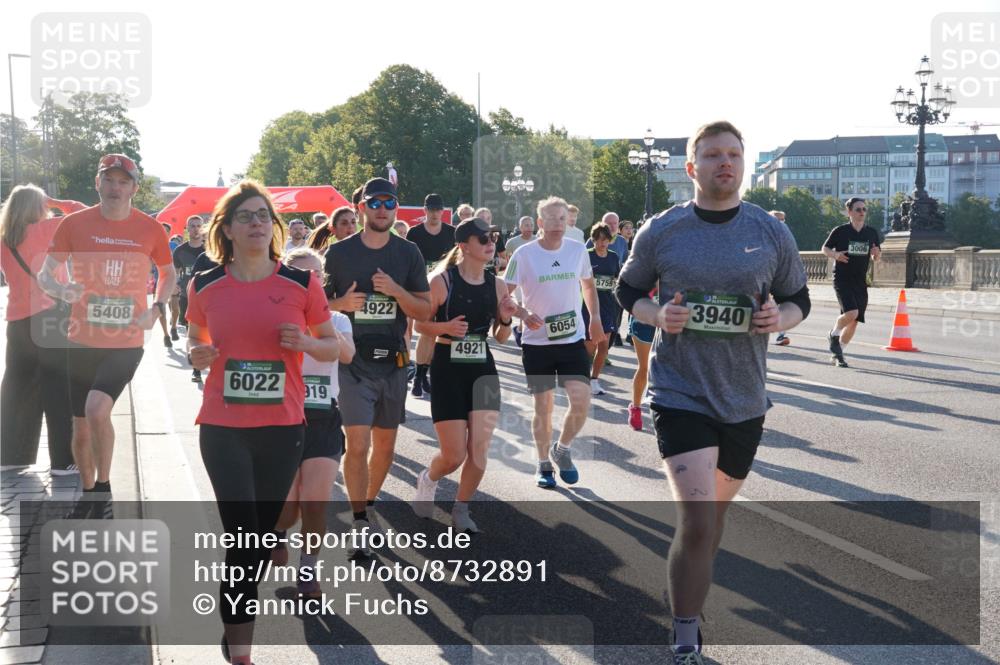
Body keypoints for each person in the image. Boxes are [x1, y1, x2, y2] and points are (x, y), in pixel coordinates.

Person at [616, 121, 810, 664]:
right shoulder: (665, 228)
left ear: (743, 164)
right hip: (680, 393)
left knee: (713, 522)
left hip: (744, 398)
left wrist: (779, 317)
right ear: (691, 167)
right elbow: (627, 288)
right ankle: (684, 634)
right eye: (712, 155)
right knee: (698, 519)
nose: (724, 163)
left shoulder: (771, 232)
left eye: (733, 154)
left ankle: (685, 590)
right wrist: (659, 315)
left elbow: (799, 300)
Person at [186, 181, 338, 665]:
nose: (255, 223)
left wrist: (308, 345)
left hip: (282, 429)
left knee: (261, 532)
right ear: (226, 229)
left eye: (262, 216)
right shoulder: (205, 285)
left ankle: (234, 633)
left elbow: (333, 345)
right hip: (223, 428)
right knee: (242, 539)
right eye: (245, 216)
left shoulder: (300, 283)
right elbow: (195, 339)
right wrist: (197, 355)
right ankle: (241, 651)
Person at [38, 153, 176, 507]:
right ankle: (89, 493)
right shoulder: (73, 224)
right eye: (109, 180)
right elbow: (45, 274)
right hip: (80, 339)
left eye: (123, 181)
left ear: (134, 188)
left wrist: (157, 305)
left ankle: (105, 486)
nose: (115, 188)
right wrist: (62, 290)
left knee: (98, 409)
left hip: (126, 340)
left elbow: (168, 273)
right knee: (81, 425)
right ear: (98, 183)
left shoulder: (149, 228)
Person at [324, 177, 431, 556]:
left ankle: (367, 507)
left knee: (384, 447)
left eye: (389, 202)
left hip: (394, 365)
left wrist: (397, 292)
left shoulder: (408, 254)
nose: (382, 208)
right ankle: (358, 521)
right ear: (362, 208)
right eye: (375, 202)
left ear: (396, 209)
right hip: (353, 364)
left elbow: (424, 309)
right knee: (358, 442)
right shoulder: (338, 254)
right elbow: (315, 308)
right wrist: (341, 305)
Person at [411, 218, 518, 532]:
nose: (490, 243)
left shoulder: (497, 284)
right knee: (454, 454)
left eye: (492, 237)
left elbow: (500, 337)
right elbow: (419, 325)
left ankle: (461, 508)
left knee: (480, 447)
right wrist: (444, 328)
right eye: (482, 238)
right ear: (463, 246)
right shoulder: (441, 282)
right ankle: (428, 479)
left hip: (482, 370)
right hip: (447, 369)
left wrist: (508, 320)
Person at [271, 247, 355, 597]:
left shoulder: (337, 322)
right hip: (283, 420)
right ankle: (276, 533)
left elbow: (349, 356)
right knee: (288, 508)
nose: (311, 280)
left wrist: (321, 319)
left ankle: (309, 568)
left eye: (317, 275)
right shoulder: (275, 318)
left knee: (316, 499)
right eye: (302, 274)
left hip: (324, 418)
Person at [504, 196, 604, 488]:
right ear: (539, 222)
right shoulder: (523, 254)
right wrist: (522, 312)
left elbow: (588, 285)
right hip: (537, 343)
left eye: (562, 218)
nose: (558, 224)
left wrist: (595, 317)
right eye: (551, 218)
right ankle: (543, 463)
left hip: (572, 339)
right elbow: (504, 293)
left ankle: (562, 449)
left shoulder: (577, 251)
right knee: (543, 408)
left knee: (582, 401)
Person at [0, 184, 75, 475]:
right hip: (50, 316)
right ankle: (63, 460)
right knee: (57, 387)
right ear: (39, 206)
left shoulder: (5, 240)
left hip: (17, 322)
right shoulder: (48, 229)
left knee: (17, 388)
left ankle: (11, 455)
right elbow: (83, 212)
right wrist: (57, 201)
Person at [405, 193, 456, 398]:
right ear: (424, 211)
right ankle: (419, 376)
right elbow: (408, 261)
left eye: (438, 210)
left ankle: (427, 374)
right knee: (427, 331)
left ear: (442, 211)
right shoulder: (415, 233)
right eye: (431, 210)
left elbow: (458, 260)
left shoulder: (451, 232)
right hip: (421, 287)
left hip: (446, 287)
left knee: (440, 333)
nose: (434, 214)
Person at [822, 198, 881, 368]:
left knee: (854, 320)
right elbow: (824, 248)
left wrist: (876, 254)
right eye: (858, 209)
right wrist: (836, 255)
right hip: (842, 278)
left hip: (860, 281)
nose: (862, 212)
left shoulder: (871, 232)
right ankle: (833, 334)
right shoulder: (840, 231)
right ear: (849, 212)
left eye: (864, 209)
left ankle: (838, 352)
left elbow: (876, 257)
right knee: (852, 313)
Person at [582, 222, 622, 396]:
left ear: (610, 240)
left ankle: (594, 380)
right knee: (589, 346)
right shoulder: (586, 255)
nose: (602, 243)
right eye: (598, 240)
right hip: (588, 305)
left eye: (605, 240)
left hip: (607, 304)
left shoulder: (613, 257)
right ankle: (581, 378)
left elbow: (617, 279)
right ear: (593, 240)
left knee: (604, 346)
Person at [587, 212, 629, 346]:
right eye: (608, 223)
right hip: (591, 294)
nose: (611, 226)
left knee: (612, 325)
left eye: (614, 223)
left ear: (618, 225)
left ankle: (605, 351)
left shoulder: (622, 241)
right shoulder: (590, 242)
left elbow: (625, 263)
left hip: (611, 293)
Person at [172, 215, 206, 381]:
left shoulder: (210, 250)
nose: (195, 228)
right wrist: (175, 284)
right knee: (192, 335)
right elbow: (175, 272)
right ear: (187, 229)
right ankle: (197, 370)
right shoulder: (180, 250)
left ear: (203, 227)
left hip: (207, 298)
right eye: (192, 226)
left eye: (198, 225)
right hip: (187, 296)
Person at [626, 288, 656, 431]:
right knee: (645, 367)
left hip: (668, 321)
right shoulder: (645, 267)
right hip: (644, 322)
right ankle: (636, 409)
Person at [769, 211, 791, 346]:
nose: (782, 223)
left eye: (783, 220)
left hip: (779, 276)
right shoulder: (762, 234)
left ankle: (781, 335)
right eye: (778, 220)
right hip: (764, 276)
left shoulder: (786, 235)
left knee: (782, 304)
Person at [475, 207, 506, 272]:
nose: (485, 221)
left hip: (491, 277)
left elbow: (506, 261)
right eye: (482, 218)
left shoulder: (495, 235)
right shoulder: (471, 236)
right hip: (473, 276)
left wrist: (499, 261)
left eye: (488, 218)